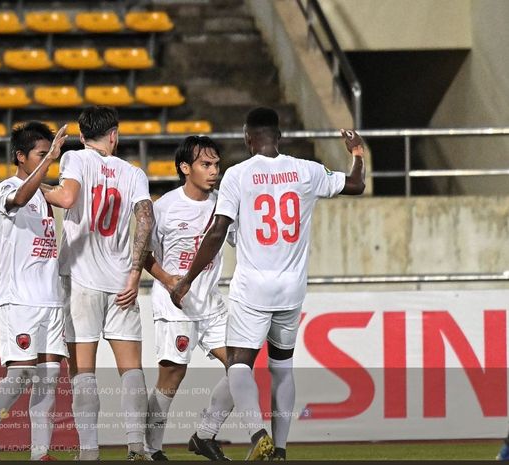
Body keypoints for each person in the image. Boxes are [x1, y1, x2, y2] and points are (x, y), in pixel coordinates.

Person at [170, 107, 366, 461]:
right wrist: (357, 155)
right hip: (292, 289)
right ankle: (277, 448)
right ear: (280, 137)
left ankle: (256, 432)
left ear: (247, 137)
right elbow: (356, 185)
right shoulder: (305, 171)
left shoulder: (237, 175)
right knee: (282, 368)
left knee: (240, 365)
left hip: (253, 287)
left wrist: (186, 279)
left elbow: (217, 232)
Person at [42, 106, 155, 461]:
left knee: (83, 370)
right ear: (114, 135)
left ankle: (89, 451)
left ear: (81, 134)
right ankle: (137, 446)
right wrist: (136, 272)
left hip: (81, 281)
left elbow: (67, 198)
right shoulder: (133, 172)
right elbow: (146, 220)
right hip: (122, 280)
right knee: (132, 368)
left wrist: (30, 187)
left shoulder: (75, 159)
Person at [0, 122, 69, 461]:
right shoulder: (7, 189)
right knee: (21, 373)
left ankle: (40, 453)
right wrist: (51, 160)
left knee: (49, 377)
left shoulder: (46, 195)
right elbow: (22, 196)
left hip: (52, 300)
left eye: (49, 154)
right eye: (41, 155)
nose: (48, 160)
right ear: (20, 157)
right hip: (19, 299)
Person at [143, 136, 234, 461]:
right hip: (175, 305)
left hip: (211, 304)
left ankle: (205, 434)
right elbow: (144, 254)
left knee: (241, 368)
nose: (213, 171)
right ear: (185, 167)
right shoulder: (165, 206)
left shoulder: (225, 204)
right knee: (172, 375)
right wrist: (170, 281)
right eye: (205, 165)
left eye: (216, 165)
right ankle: (149, 447)